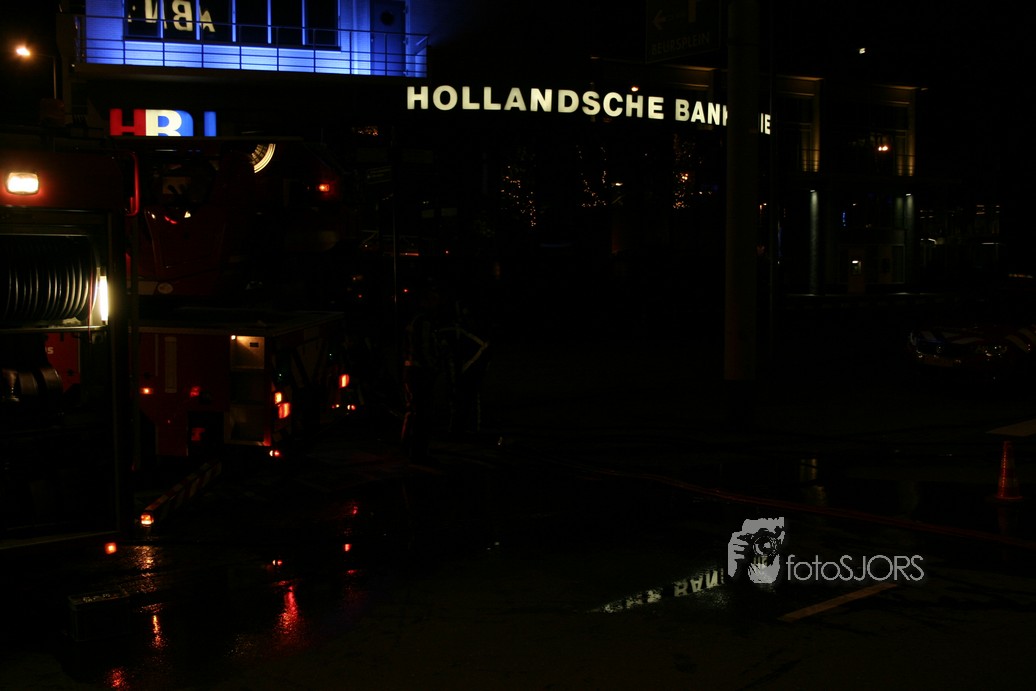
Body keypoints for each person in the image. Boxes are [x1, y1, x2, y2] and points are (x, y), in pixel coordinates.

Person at [400, 283, 443, 463]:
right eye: (433, 300)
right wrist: (433, 367)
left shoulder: (413, 320)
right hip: (420, 371)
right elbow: (424, 348)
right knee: (423, 413)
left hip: (410, 369)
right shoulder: (424, 322)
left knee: (412, 410)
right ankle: (419, 452)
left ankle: (407, 447)